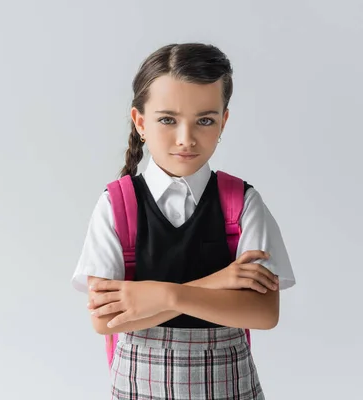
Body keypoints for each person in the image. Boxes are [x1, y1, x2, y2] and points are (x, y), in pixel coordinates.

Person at [71, 42, 296, 399]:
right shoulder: (116, 206)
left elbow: (263, 313)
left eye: (204, 120)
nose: (186, 139)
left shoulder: (242, 204)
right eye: (167, 120)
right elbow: (106, 320)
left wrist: (163, 294)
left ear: (223, 121)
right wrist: (218, 282)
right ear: (140, 122)